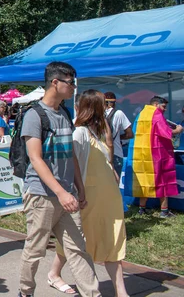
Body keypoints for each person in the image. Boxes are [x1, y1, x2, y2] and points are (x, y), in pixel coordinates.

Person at [18, 62, 100, 297]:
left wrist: (78, 187)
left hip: (66, 196)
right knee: (35, 250)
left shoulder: (64, 113)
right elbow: (35, 159)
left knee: (78, 250)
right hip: (41, 196)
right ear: (55, 82)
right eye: (70, 82)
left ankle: (92, 294)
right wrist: (61, 192)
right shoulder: (34, 115)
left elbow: (70, 153)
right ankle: (25, 292)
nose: (74, 87)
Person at [47, 90, 128, 297]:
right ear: (96, 107)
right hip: (89, 199)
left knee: (112, 241)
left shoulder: (98, 131)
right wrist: (79, 192)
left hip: (108, 198)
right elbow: (73, 164)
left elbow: (106, 158)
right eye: (104, 103)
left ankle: (121, 291)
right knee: (78, 242)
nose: (109, 106)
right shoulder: (80, 132)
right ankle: (54, 274)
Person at [130, 96, 183, 218]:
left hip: (142, 154)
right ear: (155, 104)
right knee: (163, 179)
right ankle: (164, 211)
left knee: (144, 180)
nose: (164, 109)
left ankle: (142, 209)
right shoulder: (156, 114)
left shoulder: (141, 114)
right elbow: (167, 133)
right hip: (158, 154)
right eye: (163, 106)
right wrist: (178, 130)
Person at [104, 92, 133, 175]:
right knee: (115, 184)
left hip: (101, 153)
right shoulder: (119, 113)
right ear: (114, 103)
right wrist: (119, 138)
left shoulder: (97, 114)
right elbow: (130, 134)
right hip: (116, 153)